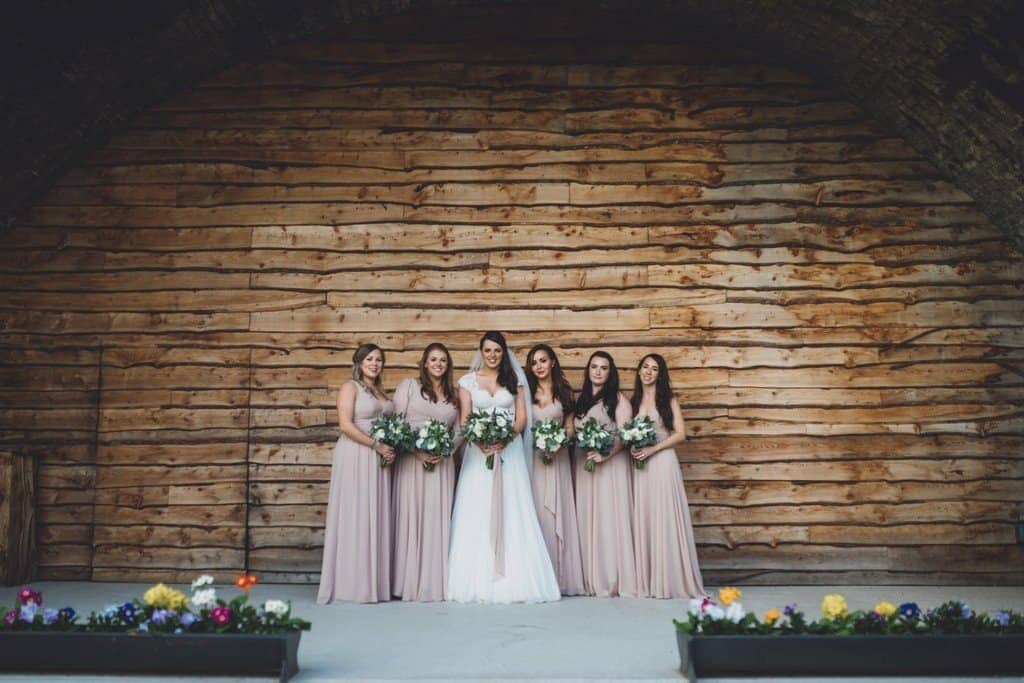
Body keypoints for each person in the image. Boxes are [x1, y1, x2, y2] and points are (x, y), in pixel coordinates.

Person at [447, 331, 561, 604]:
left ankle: (517, 578)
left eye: (497, 351)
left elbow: (521, 419)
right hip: (478, 455)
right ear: (481, 351)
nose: (492, 355)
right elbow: (465, 420)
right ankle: (477, 577)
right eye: (488, 350)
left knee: (513, 508)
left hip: (509, 454)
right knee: (478, 508)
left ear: (503, 352)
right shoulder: (467, 382)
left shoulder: (515, 382)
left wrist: (503, 439)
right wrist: (482, 441)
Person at [317, 343, 395, 604]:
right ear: (359, 362)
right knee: (357, 513)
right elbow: (345, 425)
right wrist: (375, 444)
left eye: (379, 360)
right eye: (370, 359)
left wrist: (391, 444)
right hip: (357, 453)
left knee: (375, 513)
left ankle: (373, 581)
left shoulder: (379, 390)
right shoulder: (350, 387)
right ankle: (352, 583)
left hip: (379, 457)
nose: (375, 363)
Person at [630, 353, 706, 598]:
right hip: (642, 467)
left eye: (654, 369)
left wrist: (654, 449)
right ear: (639, 371)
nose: (648, 372)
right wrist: (634, 446)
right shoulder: (634, 401)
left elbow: (681, 433)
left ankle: (670, 579)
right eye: (645, 367)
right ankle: (650, 579)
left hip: (662, 463)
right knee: (647, 517)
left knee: (664, 517)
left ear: (660, 374)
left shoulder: (668, 400)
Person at [526, 343, 585, 595]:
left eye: (543, 361)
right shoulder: (525, 392)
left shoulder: (564, 392)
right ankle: (538, 576)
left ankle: (562, 577)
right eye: (534, 362)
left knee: (556, 513)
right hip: (533, 461)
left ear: (552, 362)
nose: (538, 366)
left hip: (557, 458)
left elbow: (570, 426)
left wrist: (558, 442)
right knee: (536, 512)